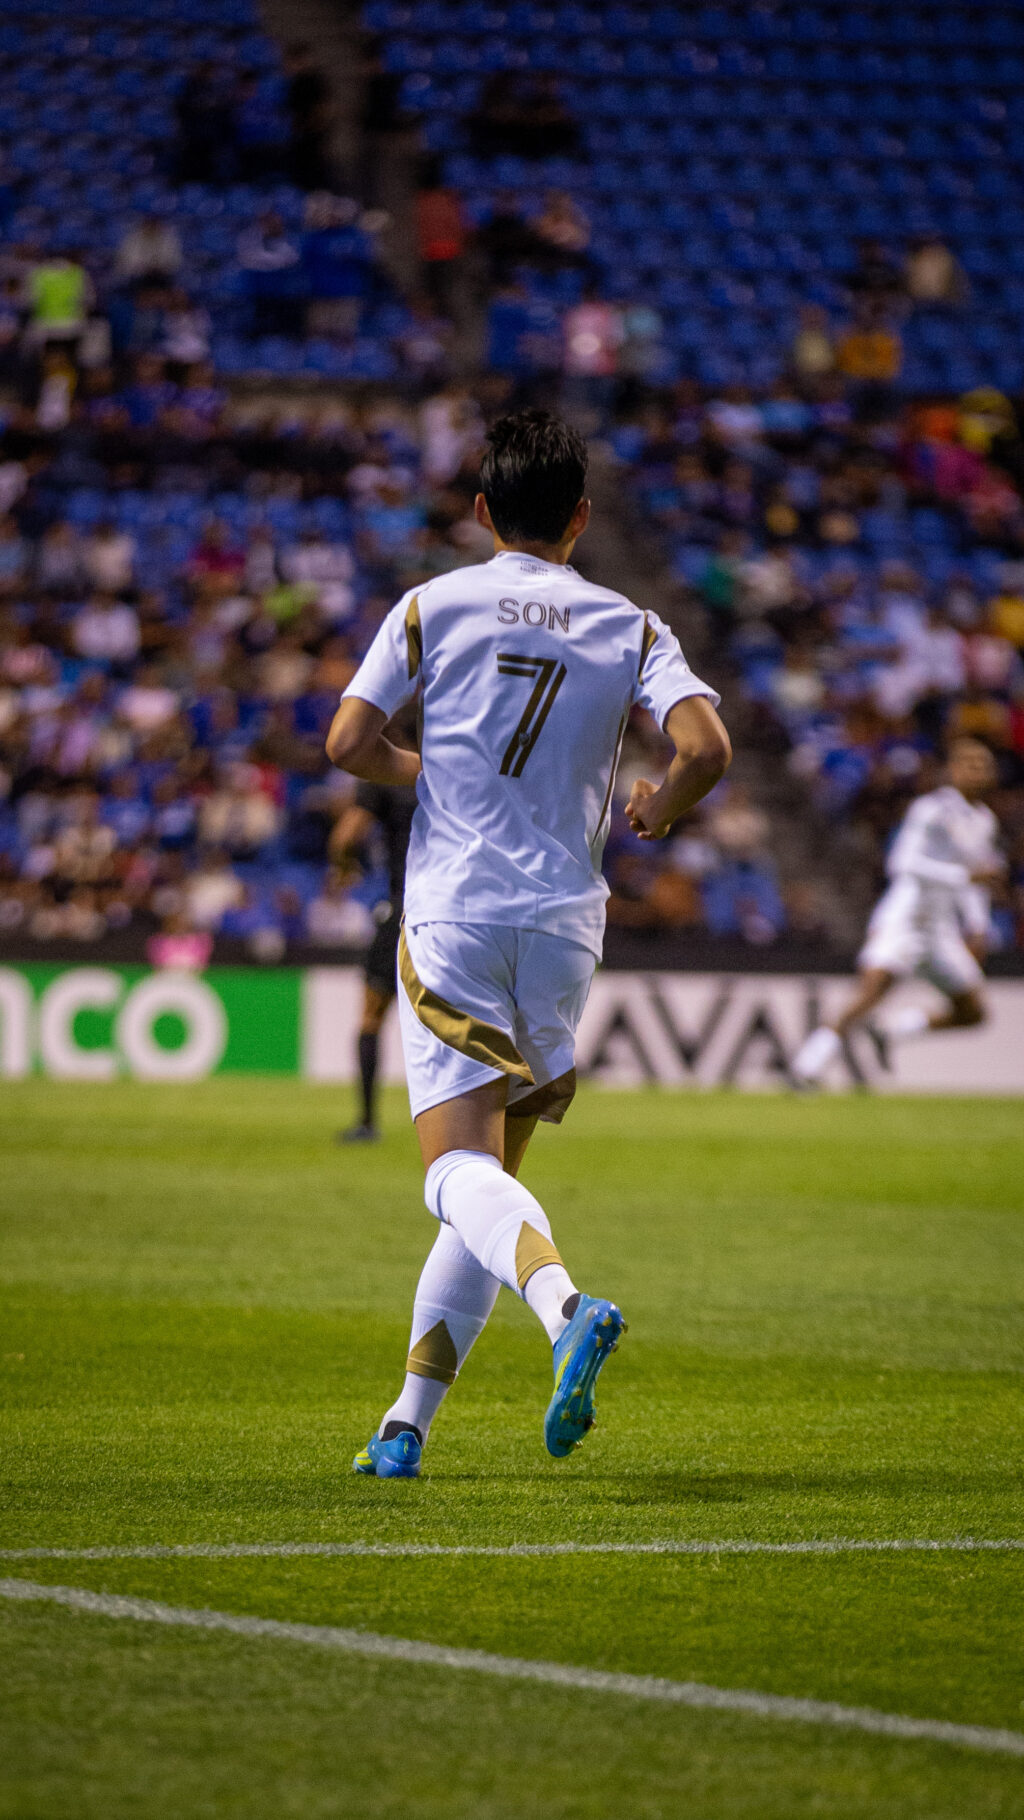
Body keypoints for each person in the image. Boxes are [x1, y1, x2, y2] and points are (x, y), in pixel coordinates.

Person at [326, 409, 730, 1478]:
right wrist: (660, 805)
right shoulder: (630, 622)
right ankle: (404, 1427)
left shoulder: (429, 603)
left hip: (456, 909)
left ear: (480, 512)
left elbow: (346, 740)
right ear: (582, 518)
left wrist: (422, 773)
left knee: (454, 1171)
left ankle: (565, 1310)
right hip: (564, 928)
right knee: (487, 1183)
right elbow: (705, 746)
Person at [792, 739, 1004, 1088]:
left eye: (982, 764)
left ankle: (893, 1032)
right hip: (903, 919)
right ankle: (806, 1069)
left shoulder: (984, 821)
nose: (976, 771)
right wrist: (963, 877)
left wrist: (978, 926)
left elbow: (978, 879)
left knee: (974, 1013)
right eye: (968, 763)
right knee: (869, 993)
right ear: (952, 770)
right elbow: (901, 862)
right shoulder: (931, 810)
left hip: (940, 929)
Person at [329, 736, 418, 1142]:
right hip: (460, 912)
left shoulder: (385, 774)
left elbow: (346, 837)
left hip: (403, 908)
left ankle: (367, 1122)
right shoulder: (462, 765)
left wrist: (347, 867)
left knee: (371, 1015)